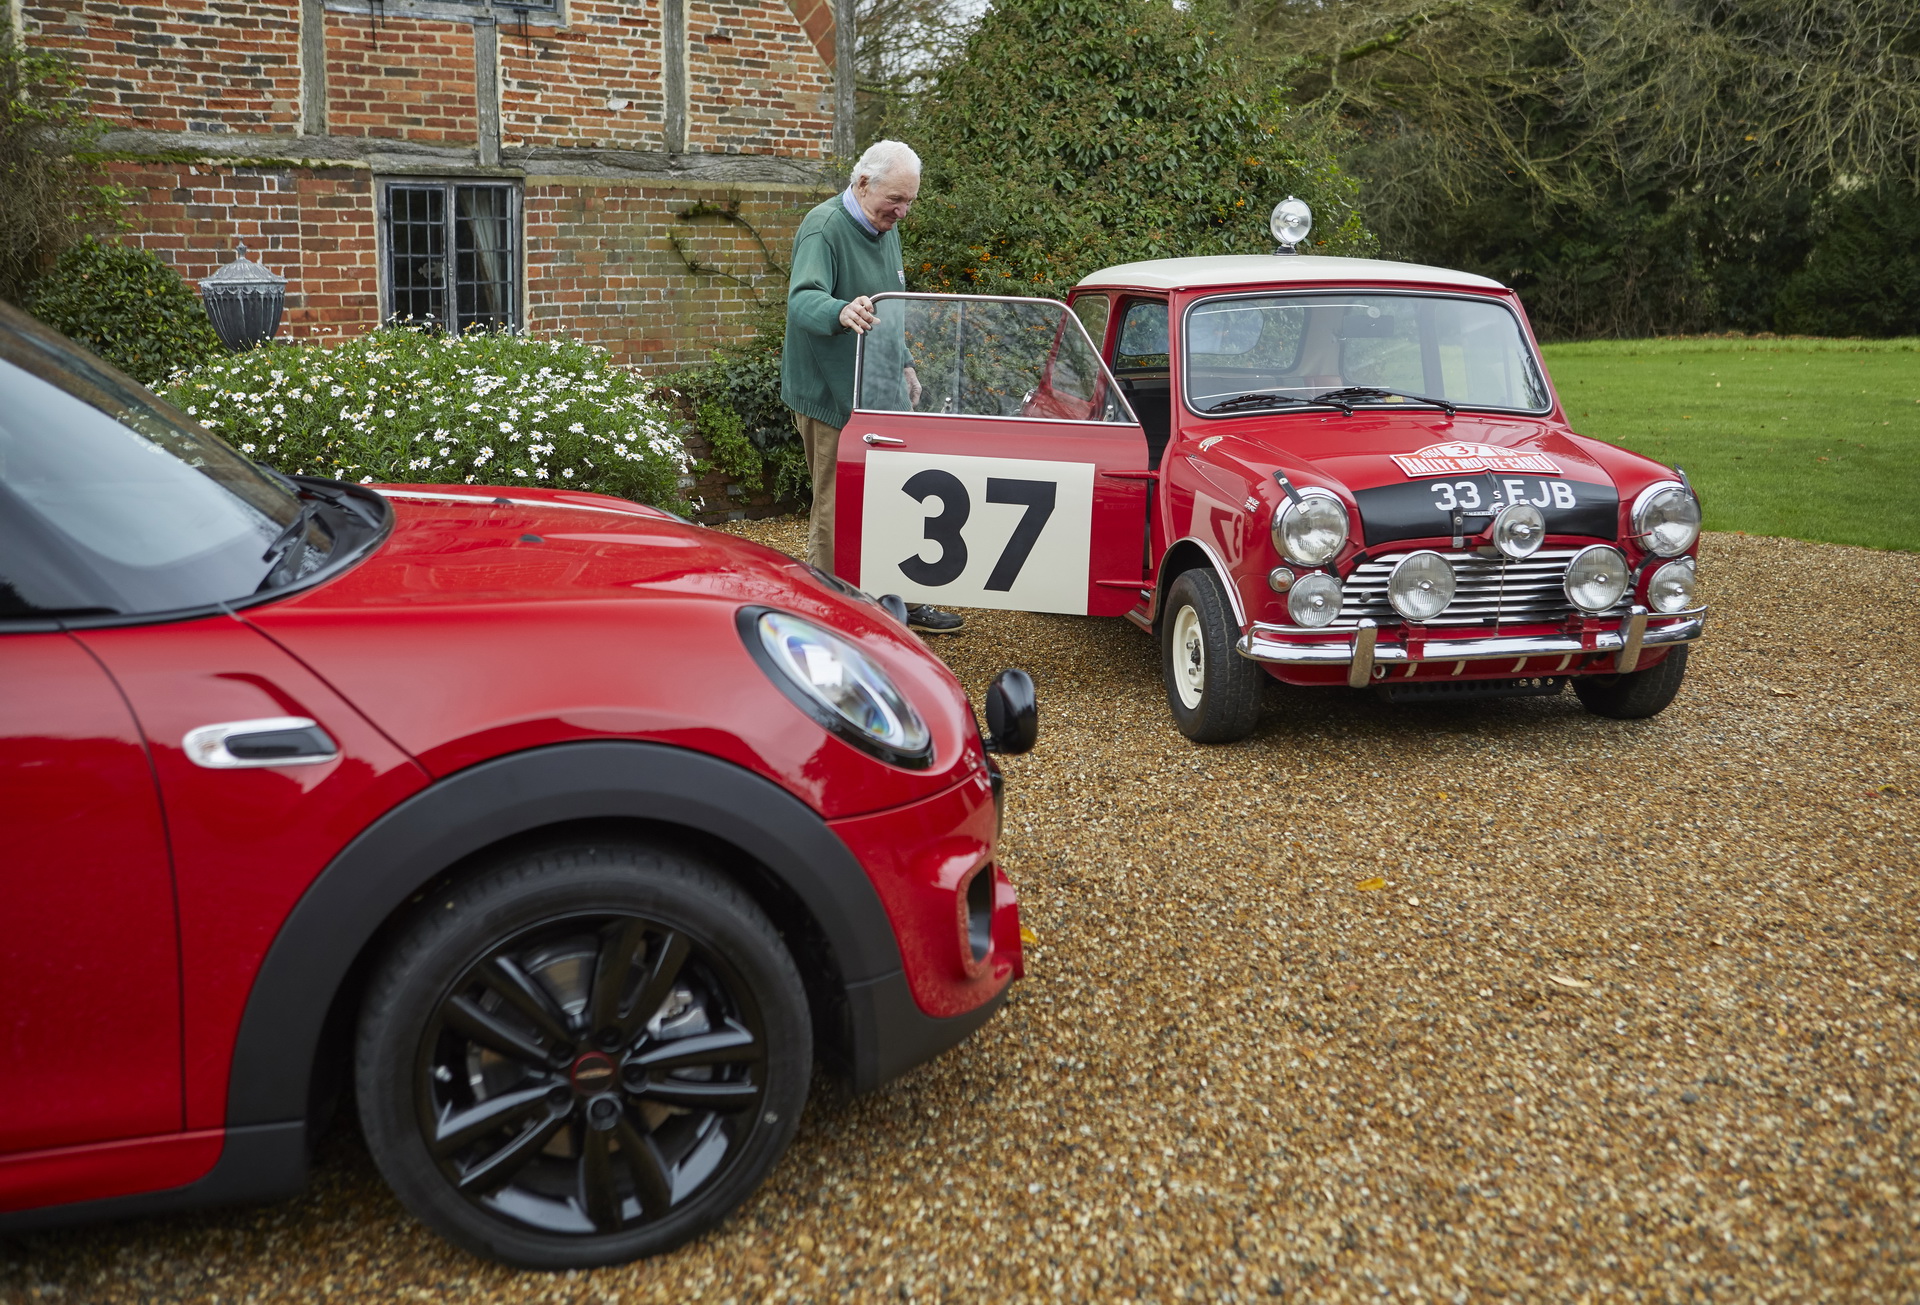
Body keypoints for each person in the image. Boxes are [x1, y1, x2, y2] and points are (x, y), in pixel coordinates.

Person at [781, 140, 964, 634]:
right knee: (836, 504)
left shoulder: (886, 227)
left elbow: (891, 305)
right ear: (862, 183)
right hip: (831, 395)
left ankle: (901, 600)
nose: (902, 212)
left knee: (897, 494)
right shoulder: (823, 228)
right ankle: (828, 612)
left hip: (880, 392)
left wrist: (904, 364)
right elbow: (802, 300)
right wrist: (839, 310)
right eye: (895, 199)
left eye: (909, 201)